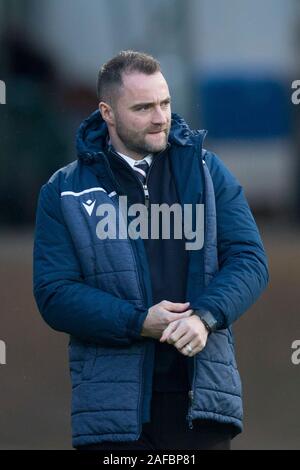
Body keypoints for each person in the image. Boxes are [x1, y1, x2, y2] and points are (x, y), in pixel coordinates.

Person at [33, 51, 269, 450]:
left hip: (202, 403)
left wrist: (205, 318)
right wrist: (139, 321)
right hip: (111, 410)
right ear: (107, 112)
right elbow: (54, 293)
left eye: (165, 102)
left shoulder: (209, 172)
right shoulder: (63, 191)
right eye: (143, 108)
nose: (160, 117)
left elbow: (250, 260)